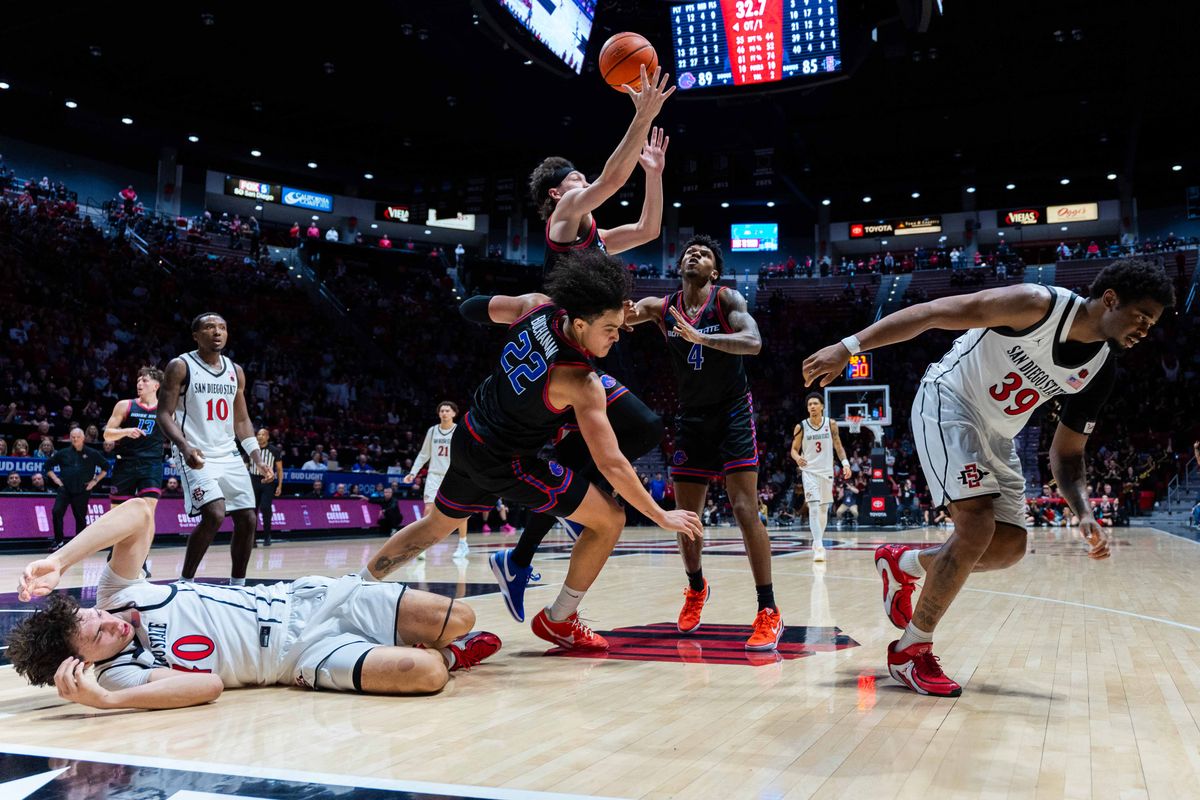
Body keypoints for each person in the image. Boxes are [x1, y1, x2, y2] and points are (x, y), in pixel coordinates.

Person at [802, 258, 1175, 697]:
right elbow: (933, 313)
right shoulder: (1035, 304)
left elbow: (1067, 454)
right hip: (949, 400)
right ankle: (910, 651)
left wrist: (1084, 512)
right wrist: (850, 346)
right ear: (1110, 299)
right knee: (976, 526)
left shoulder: (1100, 370)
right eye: (1142, 317)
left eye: (1151, 324)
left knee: (1008, 546)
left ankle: (902, 562)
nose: (1145, 331)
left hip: (998, 434)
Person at [361, 248, 701, 650]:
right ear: (579, 323)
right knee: (610, 519)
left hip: (469, 438)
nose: (618, 334)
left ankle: (356, 588)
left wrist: (607, 312)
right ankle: (560, 619)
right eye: (611, 327)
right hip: (508, 463)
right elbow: (611, 463)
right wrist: (660, 514)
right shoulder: (581, 382)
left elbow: (473, 307)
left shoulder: (537, 306)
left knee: (435, 526)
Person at [7, 499, 502, 710]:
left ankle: (434, 640)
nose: (106, 623)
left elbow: (139, 513)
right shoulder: (123, 675)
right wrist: (108, 701)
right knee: (429, 674)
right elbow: (209, 685)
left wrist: (61, 561)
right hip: (301, 657)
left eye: (92, 615)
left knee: (461, 617)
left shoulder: (115, 595)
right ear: (83, 665)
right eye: (95, 635)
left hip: (307, 599)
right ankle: (447, 655)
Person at [490, 64, 675, 616]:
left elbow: (647, 230)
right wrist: (641, 115)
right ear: (558, 191)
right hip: (559, 363)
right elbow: (608, 184)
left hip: (578, 353)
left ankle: (523, 551)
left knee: (641, 428)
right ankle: (559, 520)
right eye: (578, 179)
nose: (586, 183)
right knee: (630, 435)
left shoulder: (592, 232)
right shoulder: (564, 217)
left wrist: (656, 171)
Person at [624, 234, 782, 650]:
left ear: (715, 270)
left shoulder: (727, 300)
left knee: (745, 508)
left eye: (704, 253)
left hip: (732, 412)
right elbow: (625, 317)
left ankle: (768, 609)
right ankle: (696, 588)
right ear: (680, 268)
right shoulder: (663, 307)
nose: (694, 254)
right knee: (686, 516)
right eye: (688, 252)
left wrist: (703, 338)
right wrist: (615, 311)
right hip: (691, 417)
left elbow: (754, 342)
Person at [157, 313, 273, 585]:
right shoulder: (180, 365)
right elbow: (163, 413)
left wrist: (256, 457)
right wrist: (184, 447)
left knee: (248, 518)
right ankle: (185, 581)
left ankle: (238, 586)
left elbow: (242, 420)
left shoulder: (235, 370)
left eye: (222, 327)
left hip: (228, 453)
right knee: (215, 513)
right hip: (195, 453)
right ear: (196, 335)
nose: (217, 332)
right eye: (209, 327)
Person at [405, 401, 470, 559]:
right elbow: (423, 454)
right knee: (428, 510)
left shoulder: (459, 430)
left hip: (453, 474)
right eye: (442, 411)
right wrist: (413, 473)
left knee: (459, 511)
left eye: (447, 410)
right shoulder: (433, 431)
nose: (444, 413)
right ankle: (423, 546)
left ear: (454, 413)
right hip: (434, 475)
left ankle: (463, 544)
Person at [791, 392, 852, 561]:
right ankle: (818, 545)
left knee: (824, 508)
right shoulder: (801, 426)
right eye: (809, 404)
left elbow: (838, 446)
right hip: (809, 471)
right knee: (814, 507)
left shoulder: (831, 424)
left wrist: (845, 464)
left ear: (822, 406)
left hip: (826, 471)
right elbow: (793, 450)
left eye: (815, 403)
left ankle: (817, 540)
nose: (812, 406)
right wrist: (798, 458)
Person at [43, 427, 108, 551]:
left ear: (83, 438)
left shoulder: (92, 453)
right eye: (73, 437)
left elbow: (106, 467)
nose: (75, 439)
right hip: (65, 489)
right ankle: (59, 541)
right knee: (57, 512)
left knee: (80, 517)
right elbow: (47, 466)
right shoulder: (63, 453)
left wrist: (94, 481)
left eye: (78, 437)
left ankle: (79, 545)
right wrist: (56, 480)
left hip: (82, 490)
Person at [248, 428, 283, 546]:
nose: (260, 436)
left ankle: (267, 535)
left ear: (268, 437)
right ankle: (252, 538)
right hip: (253, 480)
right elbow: (245, 465)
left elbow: (279, 469)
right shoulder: (252, 450)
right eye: (258, 434)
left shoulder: (274, 450)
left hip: (268, 482)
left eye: (263, 434)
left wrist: (279, 485)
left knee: (266, 508)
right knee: (253, 511)